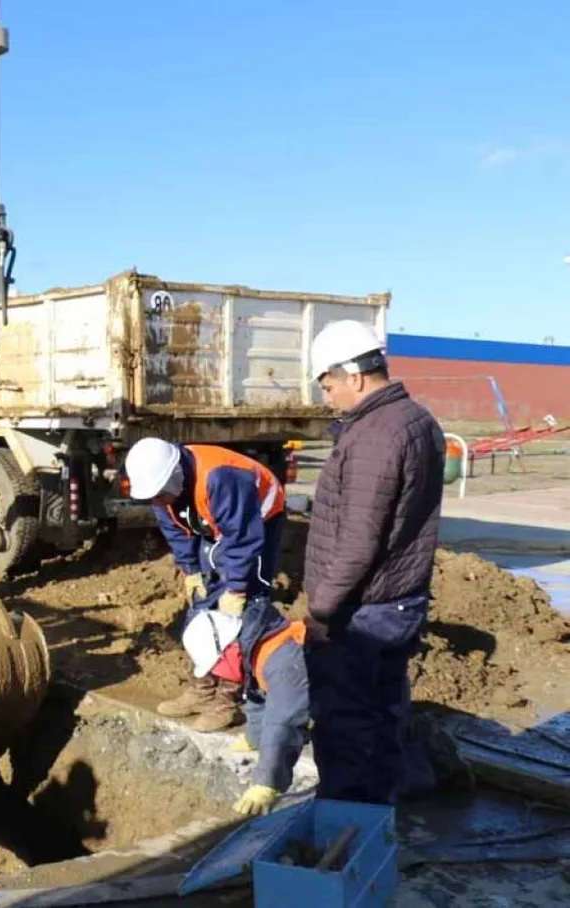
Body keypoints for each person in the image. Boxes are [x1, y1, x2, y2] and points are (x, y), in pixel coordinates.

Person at [303, 320, 443, 806]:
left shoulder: (374, 437)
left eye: (327, 386)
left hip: (363, 609)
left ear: (355, 377)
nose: (326, 398)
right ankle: (390, 802)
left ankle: (346, 821)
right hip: (399, 601)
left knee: (344, 725)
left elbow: (358, 540)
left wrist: (322, 609)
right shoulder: (417, 419)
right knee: (386, 709)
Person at [124, 437, 287, 732]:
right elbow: (174, 528)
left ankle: (229, 700)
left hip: (257, 521)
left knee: (243, 612)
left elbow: (242, 538)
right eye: (154, 497)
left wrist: (237, 588)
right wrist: (190, 570)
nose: (158, 501)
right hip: (217, 524)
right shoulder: (163, 490)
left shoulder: (222, 477)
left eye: (162, 494)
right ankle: (202, 688)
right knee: (203, 603)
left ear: (176, 474)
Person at [181, 607, 309, 817]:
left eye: (216, 665)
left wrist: (267, 782)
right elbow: (257, 697)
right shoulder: (256, 651)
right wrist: (254, 738)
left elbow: (284, 721)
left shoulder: (283, 662)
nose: (216, 674)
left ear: (230, 650)